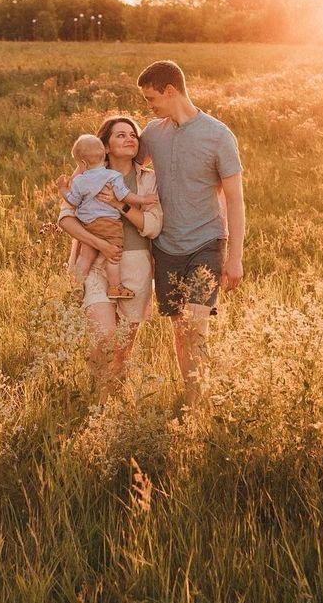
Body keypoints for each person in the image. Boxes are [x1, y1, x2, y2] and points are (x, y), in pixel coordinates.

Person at [134, 60, 245, 408]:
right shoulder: (153, 133)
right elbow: (119, 160)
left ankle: (197, 404)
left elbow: (235, 199)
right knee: (180, 329)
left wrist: (235, 257)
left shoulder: (218, 135)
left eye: (152, 98)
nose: (148, 106)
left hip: (206, 241)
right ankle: (193, 394)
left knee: (196, 325)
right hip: (165, 246)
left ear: (170, 91)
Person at [57, 116, 163, 401]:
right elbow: (65, 218)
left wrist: (120, 205)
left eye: (133, 135)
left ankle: (111, 403)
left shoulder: (149, 179)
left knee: (122, 347)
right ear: (105, 146)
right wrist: (99, 245)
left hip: (136, 265)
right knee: (103, 338)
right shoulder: (85, 178)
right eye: (121, 135)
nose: (130, 139)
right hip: (96, 264)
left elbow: (153, 226)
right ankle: (97, 399)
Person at [58, 134, 158, 300]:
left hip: (88, 224)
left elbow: (73, 201)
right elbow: (125, 195)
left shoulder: (79, 181)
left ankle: (75, 288)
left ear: (83, 163)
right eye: (120, 135)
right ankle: (115, 287)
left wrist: (62, 189)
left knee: (84, 257)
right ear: (104, 152)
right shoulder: (112, 176)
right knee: (114, 256)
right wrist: (143, 199)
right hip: (109, 224)